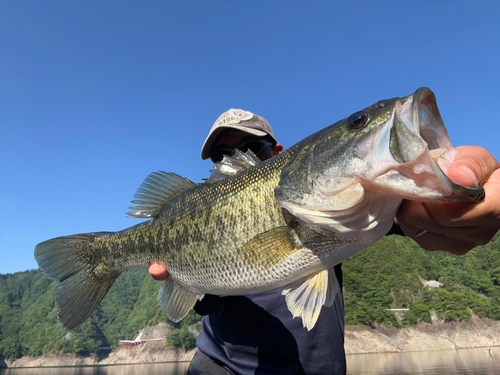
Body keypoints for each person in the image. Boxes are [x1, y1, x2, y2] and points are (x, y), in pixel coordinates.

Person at [149, 109, 500, 374]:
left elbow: (406, 216)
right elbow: (205, 304)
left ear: (278, 151)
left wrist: (446, 212)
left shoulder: (357, 208)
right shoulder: (199, 213)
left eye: (252, 147)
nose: (236, 159)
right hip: (221, 366)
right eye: (221, 157)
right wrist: (188, 277)